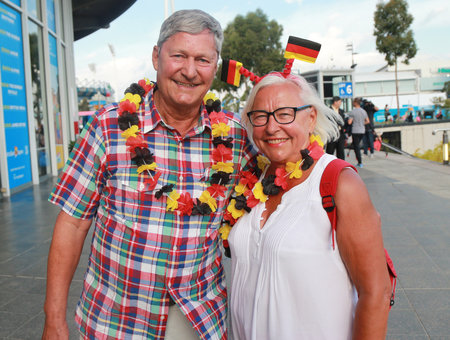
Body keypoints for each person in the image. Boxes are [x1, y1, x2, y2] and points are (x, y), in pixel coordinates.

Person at [42, 10, 255, 340]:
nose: (189, 70)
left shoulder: (236, 139)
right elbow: (72, 223)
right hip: (115, 322)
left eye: (202, 59)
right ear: (157, 57)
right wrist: (54, 319)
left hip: (198, 320)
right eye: (179, 55)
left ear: (215, 66)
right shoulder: (108, 128)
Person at [227, 73, 391, 339]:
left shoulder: (339, 182)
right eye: (260, 116)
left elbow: (376, 292)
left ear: (311, 118)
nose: (271, 127)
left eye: (285, 114)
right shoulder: (252, 180)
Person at [348, 98, 369, 168]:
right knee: (357, 145)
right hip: (362, 130)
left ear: (355, 103)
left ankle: (360, 162)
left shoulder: (352, 112)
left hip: (355, 130)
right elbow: (368, 121)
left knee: (356, 146)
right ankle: (359, 160)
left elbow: (349, 122)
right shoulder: (364, 111)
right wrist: (362, 123)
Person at [325, 96, 347, 160]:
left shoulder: (341, 111)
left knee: (341, 151)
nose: (340, 103)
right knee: (330, 151)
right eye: (340, 102)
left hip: (340, 133)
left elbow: (343, 121)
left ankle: (341, 166)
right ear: (335, 102)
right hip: (332, 133)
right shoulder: (328, 111)